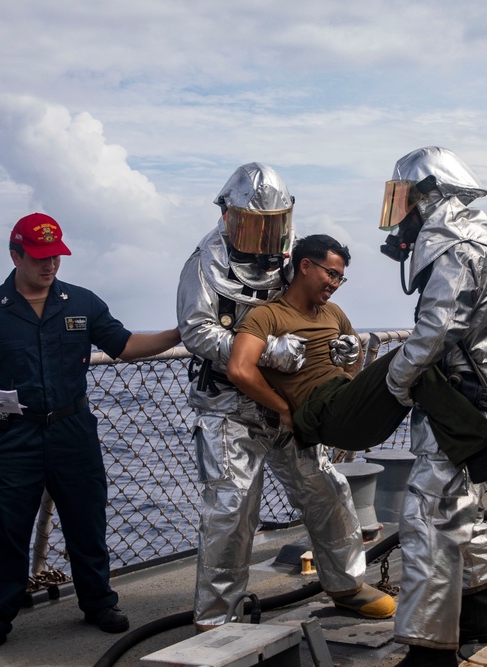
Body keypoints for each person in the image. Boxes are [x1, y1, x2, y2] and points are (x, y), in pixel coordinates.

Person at [0, 212, 182, 662]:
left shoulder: (83, 303)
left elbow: (126, 345)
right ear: (15, 255)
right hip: (12, 435)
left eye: (55, 255)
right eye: (38, 257)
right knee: (3, 530)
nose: (49, 265)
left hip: (73, 431)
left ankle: (98, 604)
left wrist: (180, 332)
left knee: (86, 521)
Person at [176, 163, 395, 631]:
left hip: (288, 410)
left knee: (328, 491)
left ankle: (346, 584)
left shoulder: (289, 262)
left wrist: (339, 353)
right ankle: (216, 622)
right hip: (229, 408)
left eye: (272, 224)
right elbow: (196, 331)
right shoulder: (203, 263)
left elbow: (307, 312)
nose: (262, 235)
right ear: (229, 217)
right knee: (232, 511)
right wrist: (265, 353)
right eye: (254, 223)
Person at [226, 234, 487, 489]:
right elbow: (240, 368)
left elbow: (353, 357)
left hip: (349, 405)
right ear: (306, 266)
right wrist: (283, 410)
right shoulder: (267, 315)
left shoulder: (333, 313)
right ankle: (485, 450)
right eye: (331, 274)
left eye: (341, 279)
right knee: (408, 357)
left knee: (443, 359)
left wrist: (350, 369)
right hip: (321, 416)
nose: (335, 284)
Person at [380, 146, 487, 666]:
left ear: (426, 197)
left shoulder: (455, 250)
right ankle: (482, 610)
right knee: (457, 504)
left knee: (424, 519)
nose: (400, 215)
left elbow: (436, 330)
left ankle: (429, 648)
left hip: (459, 404)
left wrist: (397, 380)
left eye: (405, 201)